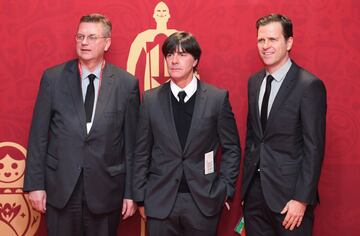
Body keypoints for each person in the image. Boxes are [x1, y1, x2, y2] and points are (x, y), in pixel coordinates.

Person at [23, 13, 139, 236]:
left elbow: (131, 145)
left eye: (92, 37)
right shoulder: (53, 78)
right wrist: (35, 185)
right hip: (61, 190)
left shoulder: (126, 84)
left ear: (107, 43)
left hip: (106, 192)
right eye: (80, 36)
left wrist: (131, 192)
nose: (84, 42)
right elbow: (38, 136)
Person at [133, 31, 241, 236]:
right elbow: (141, 151)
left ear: (195, 60)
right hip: (160, 200)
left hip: (203, 201)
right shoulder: (150, 100)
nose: (174, 60)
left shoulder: (217, 99)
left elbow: (232, 148)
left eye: (182, 55)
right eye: (170, 55)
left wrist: (225, 189)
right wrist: (141, 196)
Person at [241, 13, 327, 236]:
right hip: (255, 197)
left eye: (273, 39)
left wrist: (301, 199)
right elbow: (254, 136)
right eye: (261, 40)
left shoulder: (309, 86)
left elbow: (314, 148)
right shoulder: (254, 82)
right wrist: (246, 192)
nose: (265, 46)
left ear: (289, 42)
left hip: (290, 201)